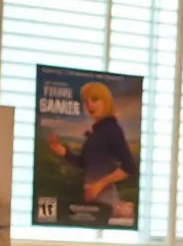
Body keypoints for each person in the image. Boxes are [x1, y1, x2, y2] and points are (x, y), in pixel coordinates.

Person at [46, 81, 137, 224]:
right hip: (93, 201)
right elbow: (85, 163)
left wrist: (99, 185)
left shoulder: (112, 129)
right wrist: (63, 151)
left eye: (94, 100)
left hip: (105, 202)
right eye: (86, 102)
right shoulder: (97, 131)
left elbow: (129, 167)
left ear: (106, 101)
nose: (89, 105)